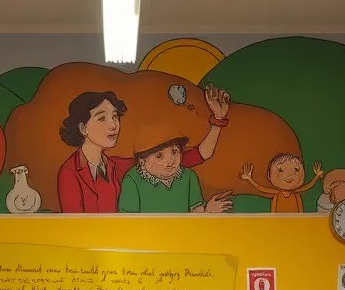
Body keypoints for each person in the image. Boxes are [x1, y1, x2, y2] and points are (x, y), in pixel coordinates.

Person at [56, 85, 230, 213]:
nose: (113, 125)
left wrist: (218, 119)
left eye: (115, 117)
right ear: (83, 128)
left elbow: (198, 155)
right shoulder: (70, 172)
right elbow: (74, 225)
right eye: (102, 119)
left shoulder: (117, 166)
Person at [117, 127, 233, 213]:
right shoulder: (132, 180)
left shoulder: (189, 176)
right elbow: (129, 222)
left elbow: (196, 213)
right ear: (142, 161)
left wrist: (208, 212)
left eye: (174, 152)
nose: (170, 161)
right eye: (159, 156)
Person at [238, 153, 323, 213]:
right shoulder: (277, 193)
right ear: (268, 175)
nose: (289, 175)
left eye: (296, 169)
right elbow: (261, 188)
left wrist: (317, 176)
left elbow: (309, 186)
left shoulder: (296, 194)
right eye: (280, 170)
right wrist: (250, 179)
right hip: (279, 221)